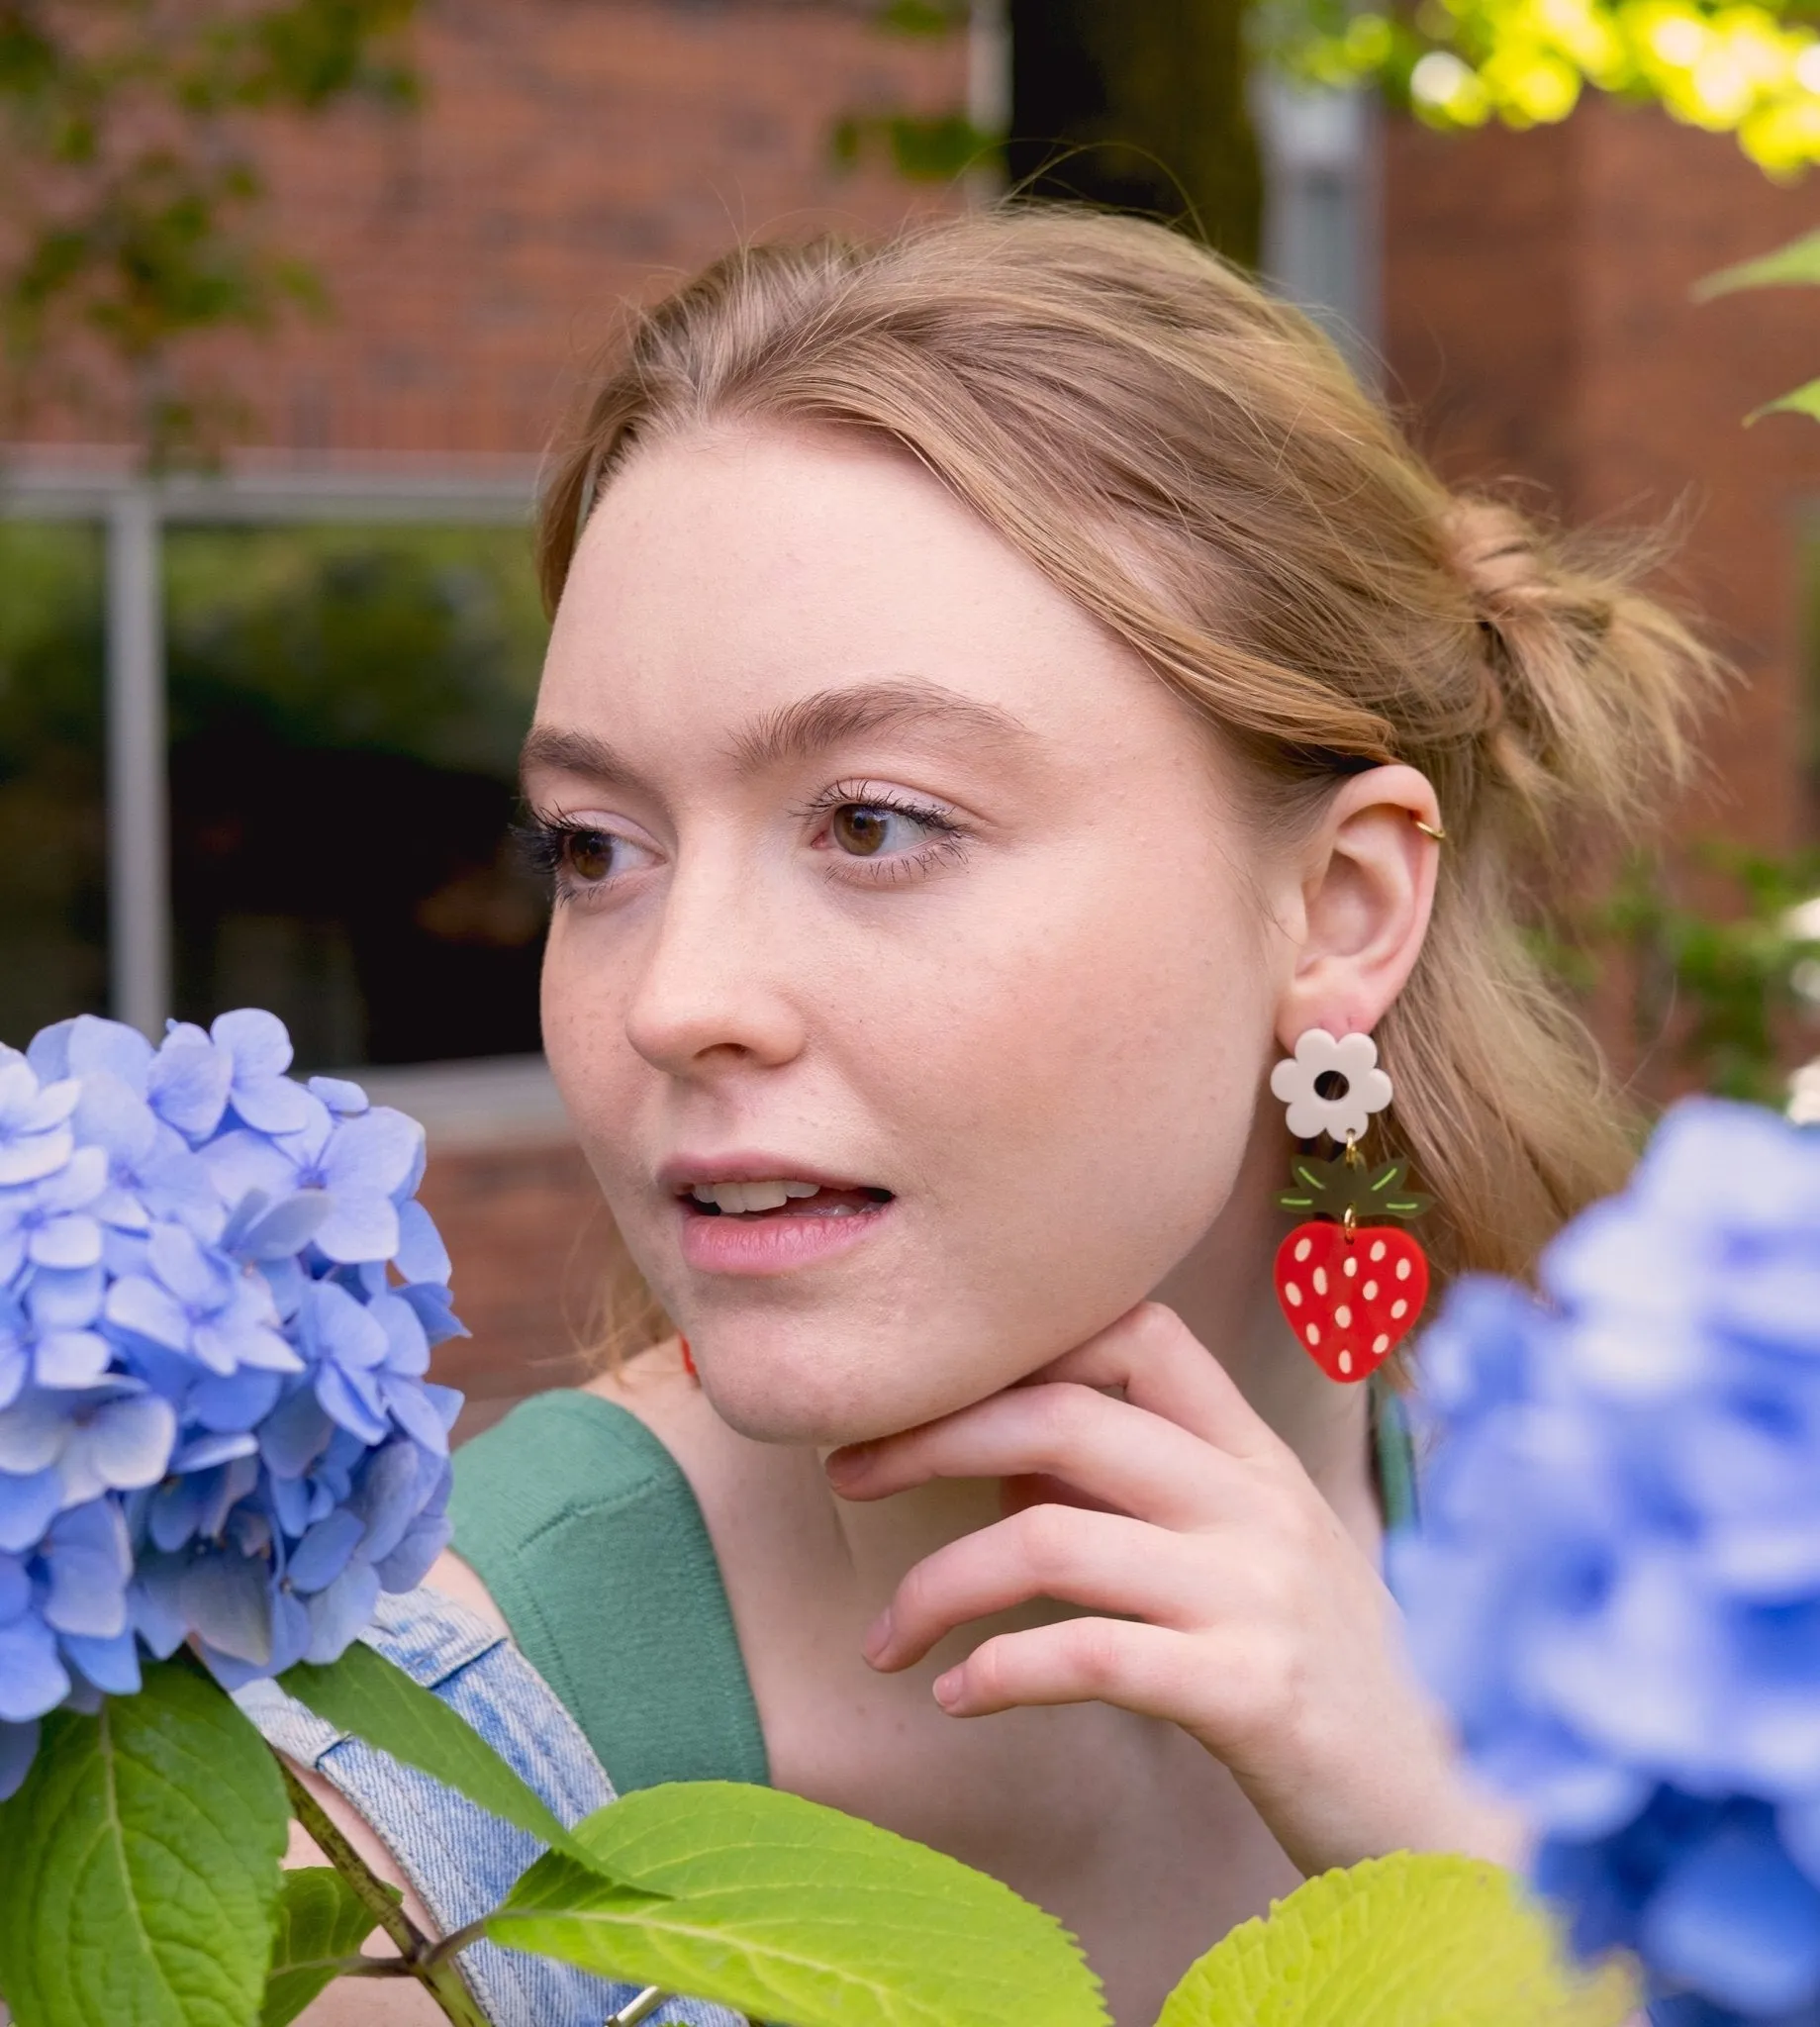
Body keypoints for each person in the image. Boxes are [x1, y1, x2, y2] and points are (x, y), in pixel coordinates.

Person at [271, 207, 1716, 2026]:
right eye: (595, 848)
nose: (672, 997)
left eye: (873, 822)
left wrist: (1479, 1883)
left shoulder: (1676, 1595)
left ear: (1341, 908)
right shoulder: (381, 1835)